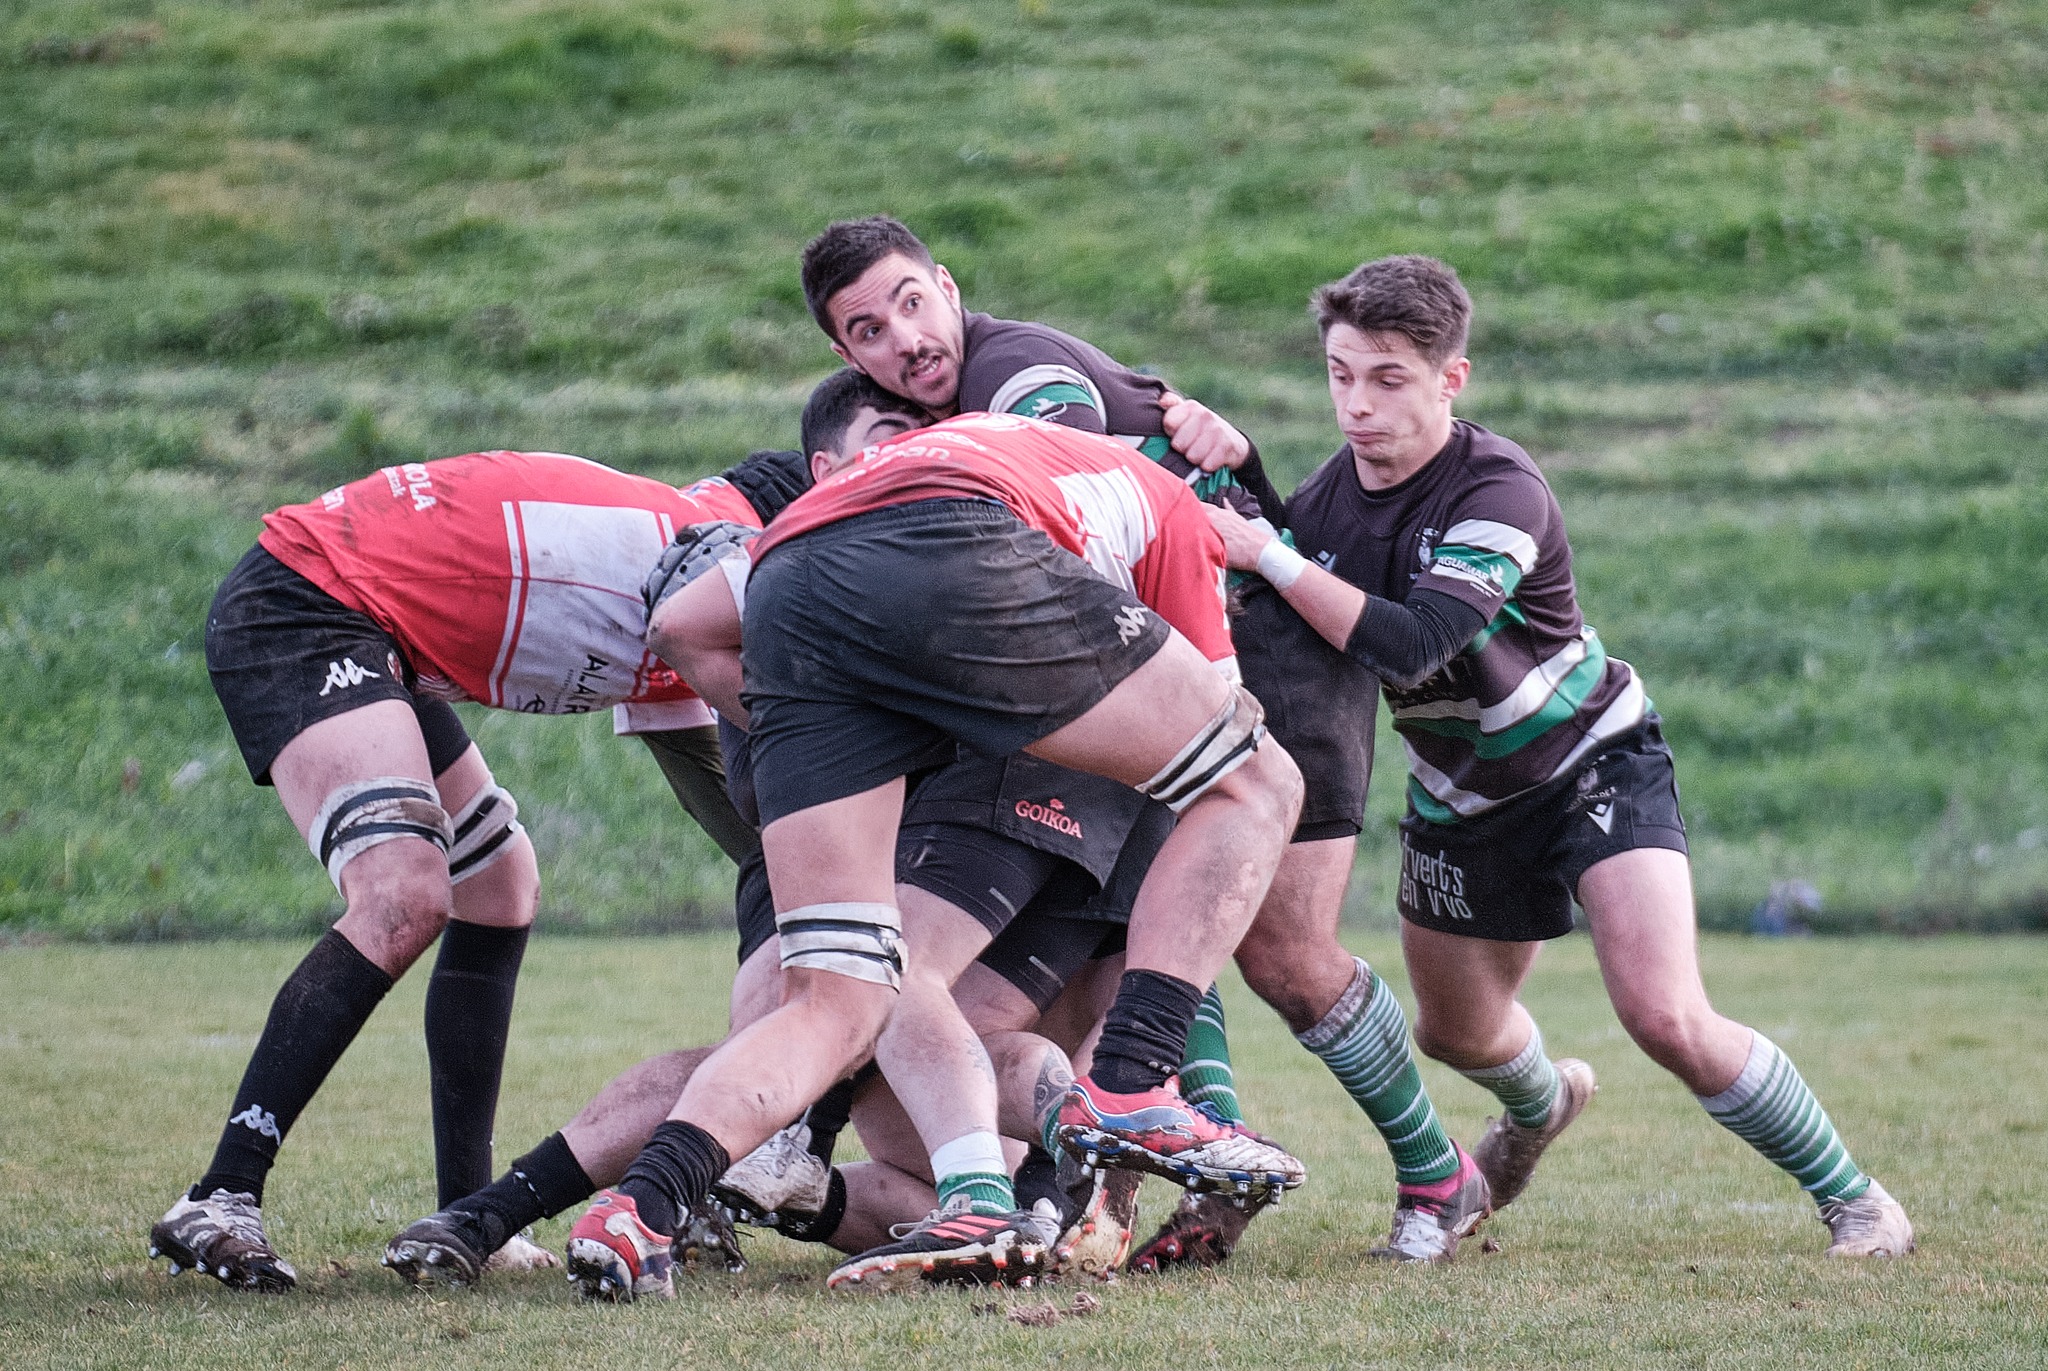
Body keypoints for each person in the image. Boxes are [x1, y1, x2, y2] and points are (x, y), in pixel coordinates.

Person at [1212, 253, 1914, 1259]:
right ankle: (1540, 1107)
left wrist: (1269, 551)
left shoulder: (1499, 489)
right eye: (1339, 374)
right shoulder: (1325, 504)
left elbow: (1414, 643)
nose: (1356, 405)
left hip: (1592, 759)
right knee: (1453, 1032)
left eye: (1388, 379)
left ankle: (1858, 1202)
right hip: (1460, 800)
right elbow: (1279, 585)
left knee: (1663, 1015)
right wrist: (1238, 464)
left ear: (1451, 379)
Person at [566, 395, 1307, 1302]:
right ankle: (1128, 1081)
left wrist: (849, 751)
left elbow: (683, 626)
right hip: (952, 540)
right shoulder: (1179, 514)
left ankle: (642, 1206)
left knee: (838, 1001)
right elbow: (1213, 759)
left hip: (790, 577)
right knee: (1261, 782)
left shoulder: (942, 457)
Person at [146, 445, 810, 1290]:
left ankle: (465, 1211)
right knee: (401, 894)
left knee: (497, 884)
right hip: (311, 602)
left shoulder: (681, 561)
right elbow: (771, 823)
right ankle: (221, 1193)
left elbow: (739, 815)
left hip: (370, 619)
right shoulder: (716, 563)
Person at [797, 214, 1300, 1269]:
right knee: (1119, 953)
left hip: (1232, 632)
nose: (904, 340)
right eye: (869, 330)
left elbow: (1057, 498)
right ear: (843, 354)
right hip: (1146, 658)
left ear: (947, 285)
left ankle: (1411, 1173)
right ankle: (1107, 1170)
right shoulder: (913, 424)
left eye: (911, 303)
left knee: (1275, 936)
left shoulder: (1015, 374)